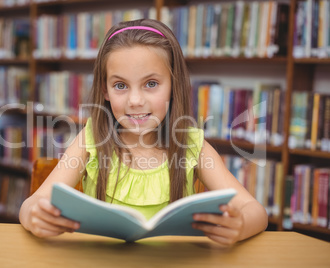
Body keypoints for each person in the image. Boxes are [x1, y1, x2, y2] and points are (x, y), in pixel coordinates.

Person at [19, 19, 268, 245]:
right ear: (105, 91)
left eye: (151, 84)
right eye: (120, 85)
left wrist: (241, 224)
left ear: (173, 85)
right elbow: (31, 204)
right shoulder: (91, 138)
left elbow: (255, 211)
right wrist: (34, 216)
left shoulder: (192, 144)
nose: (135, 100)